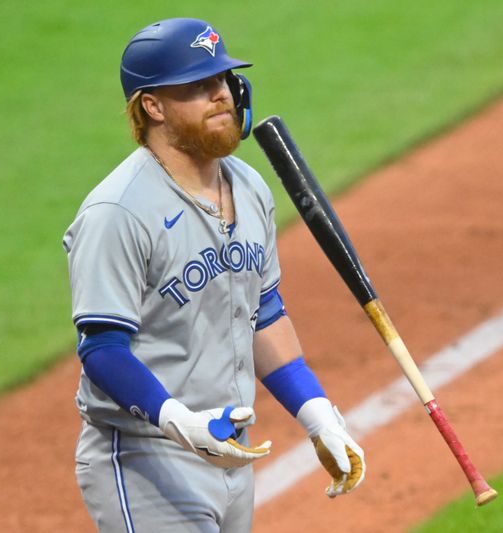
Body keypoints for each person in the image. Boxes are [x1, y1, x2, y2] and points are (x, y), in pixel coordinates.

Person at [62, 17, 365, 532]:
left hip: (231, 454)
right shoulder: (118, 211)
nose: (220, 94)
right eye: (197, 86)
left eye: (222, 80)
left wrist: (315, 412)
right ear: (152, 107)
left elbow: (264, 316)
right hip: (148, 458)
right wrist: (180, 422)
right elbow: (102, 348)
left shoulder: (249, 188)